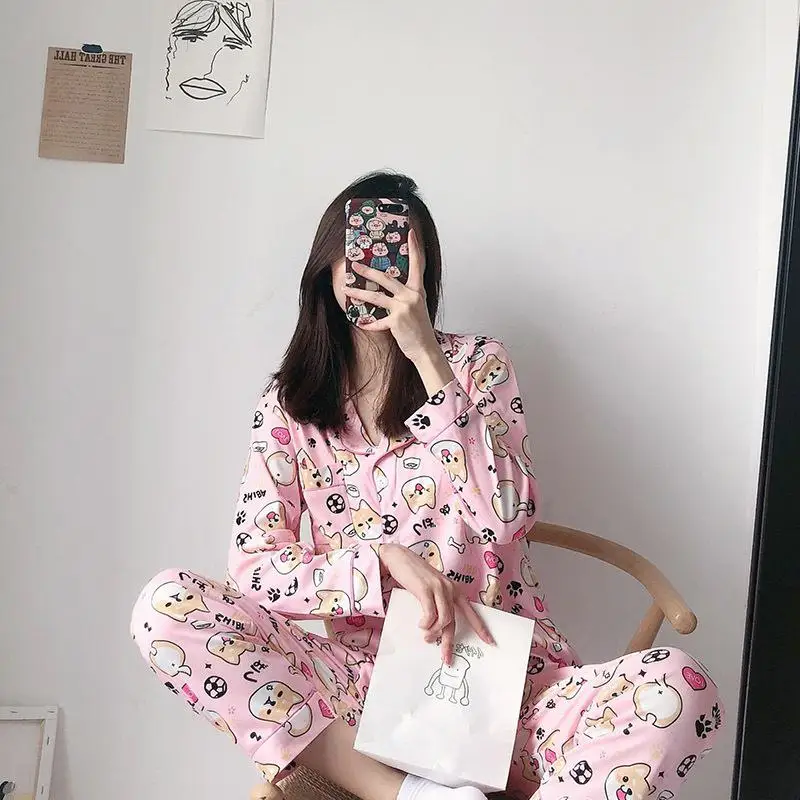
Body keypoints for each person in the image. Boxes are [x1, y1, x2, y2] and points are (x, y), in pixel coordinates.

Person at [131, 172, 724, 800]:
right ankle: (412, 797)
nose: (374, 269)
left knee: (681, 686)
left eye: (395, 253)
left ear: (423, 269)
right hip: (365, 702)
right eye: (360, 252)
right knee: (165, 605)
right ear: (329, 265)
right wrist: (381, 563)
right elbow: (255, 569)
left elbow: (508, 517)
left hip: (514, 695)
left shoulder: (477, 365)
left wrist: (428, 361)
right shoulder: (290, 407)